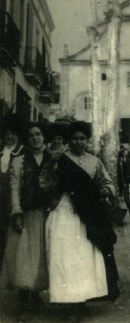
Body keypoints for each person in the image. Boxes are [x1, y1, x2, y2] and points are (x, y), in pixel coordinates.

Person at [45, 121, 119, 318]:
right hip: (64, 212)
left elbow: (107, 181)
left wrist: (106, 189)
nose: (78, 142)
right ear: (70, 140)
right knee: (65, 257)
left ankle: (82, 299)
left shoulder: (95, 162)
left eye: (82, 139)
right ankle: (68, 300)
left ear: (87, 141)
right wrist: (52, 166)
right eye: (75, 139)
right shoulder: (61, 159)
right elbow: (47, 183)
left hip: (87, 216)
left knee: (84, 258)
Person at [1, 123, 52, 309]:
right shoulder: (19, 161)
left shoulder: (53, 159)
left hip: (46, 213)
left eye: (38, 134)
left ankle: (36, 294)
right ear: (26, 139)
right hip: (26, 213)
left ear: (43, 137)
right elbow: (14, 188)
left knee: (40, 254)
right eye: (31, 136)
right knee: (23, 254)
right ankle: (24, 299)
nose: (35, 138)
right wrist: (17, 212)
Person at [0, 114, 25, 269]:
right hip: (0, 194)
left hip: (14, 194)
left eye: (12, 134)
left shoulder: (22, 152)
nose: (9, 137)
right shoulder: (1, 151)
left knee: (13, 228)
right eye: (7, 134)